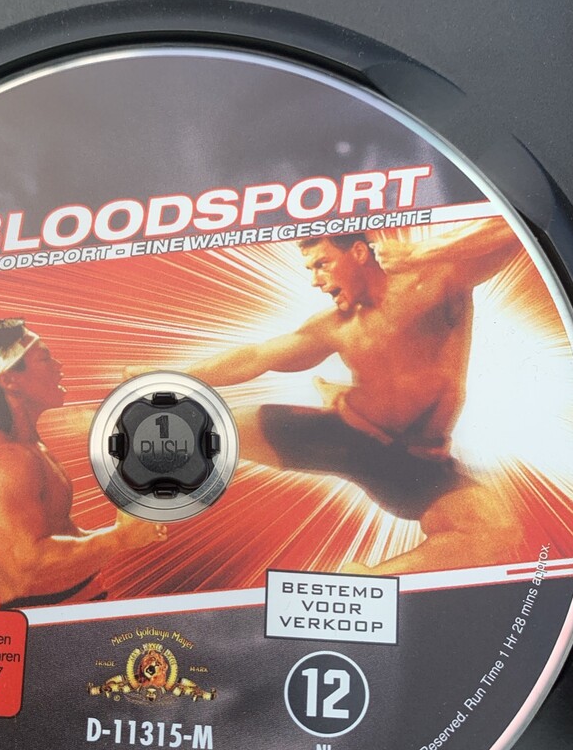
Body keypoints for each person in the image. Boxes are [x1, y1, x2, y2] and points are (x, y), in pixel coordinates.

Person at [183, 222, 523, 575]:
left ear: (359, 252)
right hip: (343, 436)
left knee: (495, 530)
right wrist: (178, 377)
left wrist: (421, 252)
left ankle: (366, 580)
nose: (315, 280)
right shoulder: (336, 325)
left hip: (414, 465)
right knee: (200, 431)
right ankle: (144, 513)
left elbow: (513, 228)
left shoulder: (436, 281)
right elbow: (256, 357)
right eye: (311, 268)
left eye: (322, 264)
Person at [0, 318, 166, 607]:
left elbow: (60, 538)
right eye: (45, 358)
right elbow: (28, 571)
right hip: (50, 627)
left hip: (76, 616)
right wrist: (119, 538)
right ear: (9, 380)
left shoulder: (30, 448)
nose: (58, 365)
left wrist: (127, 531)